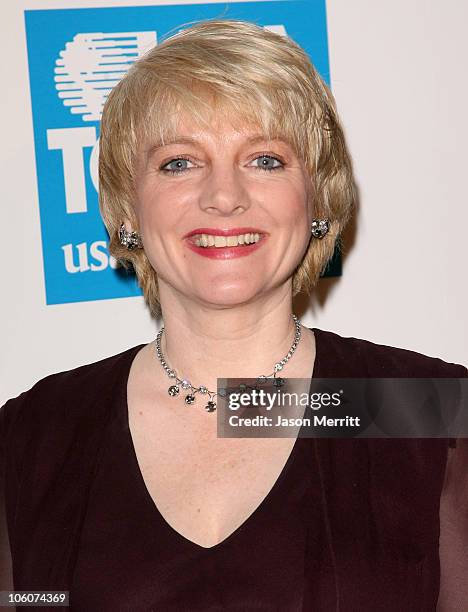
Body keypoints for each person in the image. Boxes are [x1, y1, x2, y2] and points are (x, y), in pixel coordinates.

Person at [1, 18, 467, 611]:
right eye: (179, 162)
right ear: (126, 210)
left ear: (318, 199)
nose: (224, 196)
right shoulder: (35, 437)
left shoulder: (430, 411)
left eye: (266, 160)